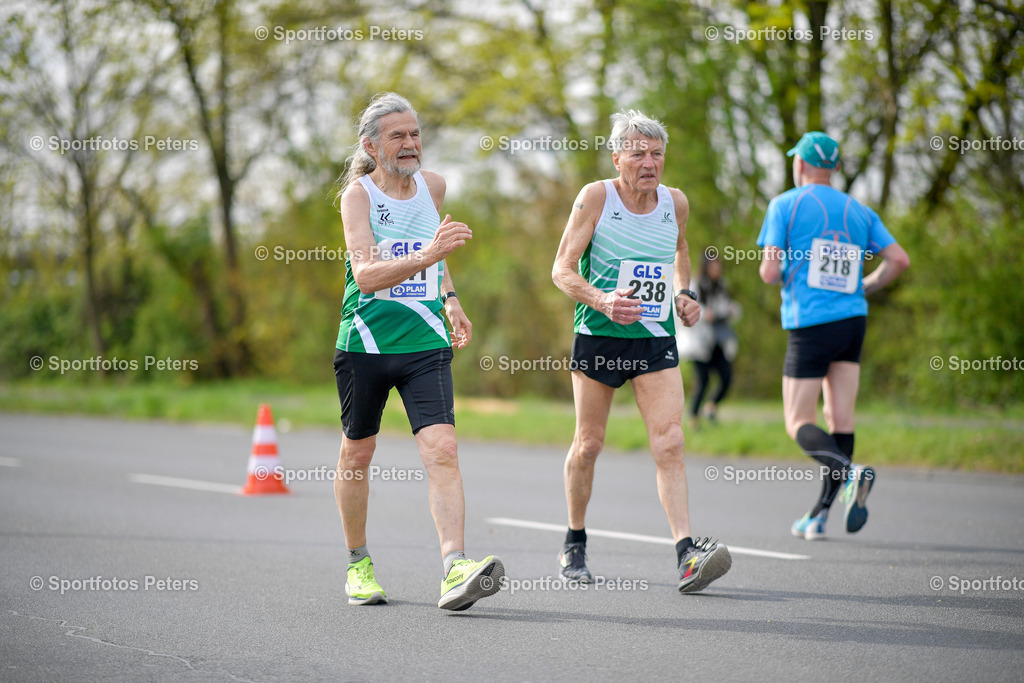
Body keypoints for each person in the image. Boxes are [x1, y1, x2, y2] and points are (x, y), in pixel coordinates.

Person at [332, 92, 504, 610]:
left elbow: (436, 250)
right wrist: (430, 255)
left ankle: (455, 567)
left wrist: (451, 299)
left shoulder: (434, 186)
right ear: (371, 146)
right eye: (397, 136)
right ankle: (358, 563)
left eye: (415, 134)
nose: (410, 143)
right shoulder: (358, 197)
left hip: (426, 341)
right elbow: (366, 275)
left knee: (442, 448)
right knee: (358, 452)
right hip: (366, 343)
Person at [551, 110, 732, 593]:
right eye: (637, 155)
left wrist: (684, 292)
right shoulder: (596, 197)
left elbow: (681, 250)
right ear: (617, 159)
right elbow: (562, 269)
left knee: (670, 441)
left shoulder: (676, 202)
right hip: (600, 335)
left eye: (656, 154)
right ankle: (574, 541)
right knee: (589, 444)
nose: (649, 163)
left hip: (654, 338)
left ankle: (687, 554)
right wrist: (603, 300)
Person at [757, 131, 909, 541]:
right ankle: (819, 516)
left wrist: (786, 268)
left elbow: (769, 272)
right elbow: (899, 259)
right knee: (840, 418)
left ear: (800, 164)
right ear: (836, 167)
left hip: (810, 324)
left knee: (798, 421)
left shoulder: (785, 204)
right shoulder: (860, 210)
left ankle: (850, 472)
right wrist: (866, 286)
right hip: (852, 321)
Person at [679, 254, 740, 429]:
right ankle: (693, 418)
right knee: (703, 380)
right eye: (713, 266)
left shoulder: (722, 286)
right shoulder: (696, 285)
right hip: (699, 341)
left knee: (726, 376)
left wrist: (731, 311)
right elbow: (688, 308)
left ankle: (711, 406)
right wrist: (706, 313)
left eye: (718, 266)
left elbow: (728, 307)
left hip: (718, 340)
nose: (716, 270)